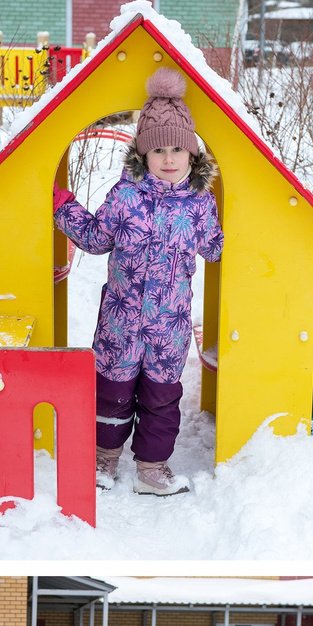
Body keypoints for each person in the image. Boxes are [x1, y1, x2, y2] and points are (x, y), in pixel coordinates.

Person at [54, 66, 224, 498]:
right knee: (112, 393)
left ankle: (151, 468)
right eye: (158, 150)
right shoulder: (125, 195)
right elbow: (96, 238)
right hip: (121, 320)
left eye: (178, 149)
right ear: (143, 155)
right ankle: (103, 458)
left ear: (192, 154)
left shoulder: (200, 203)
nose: (168, 159)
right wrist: (63, 206)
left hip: (170, 325)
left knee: (161, 399)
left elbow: (214, 248)